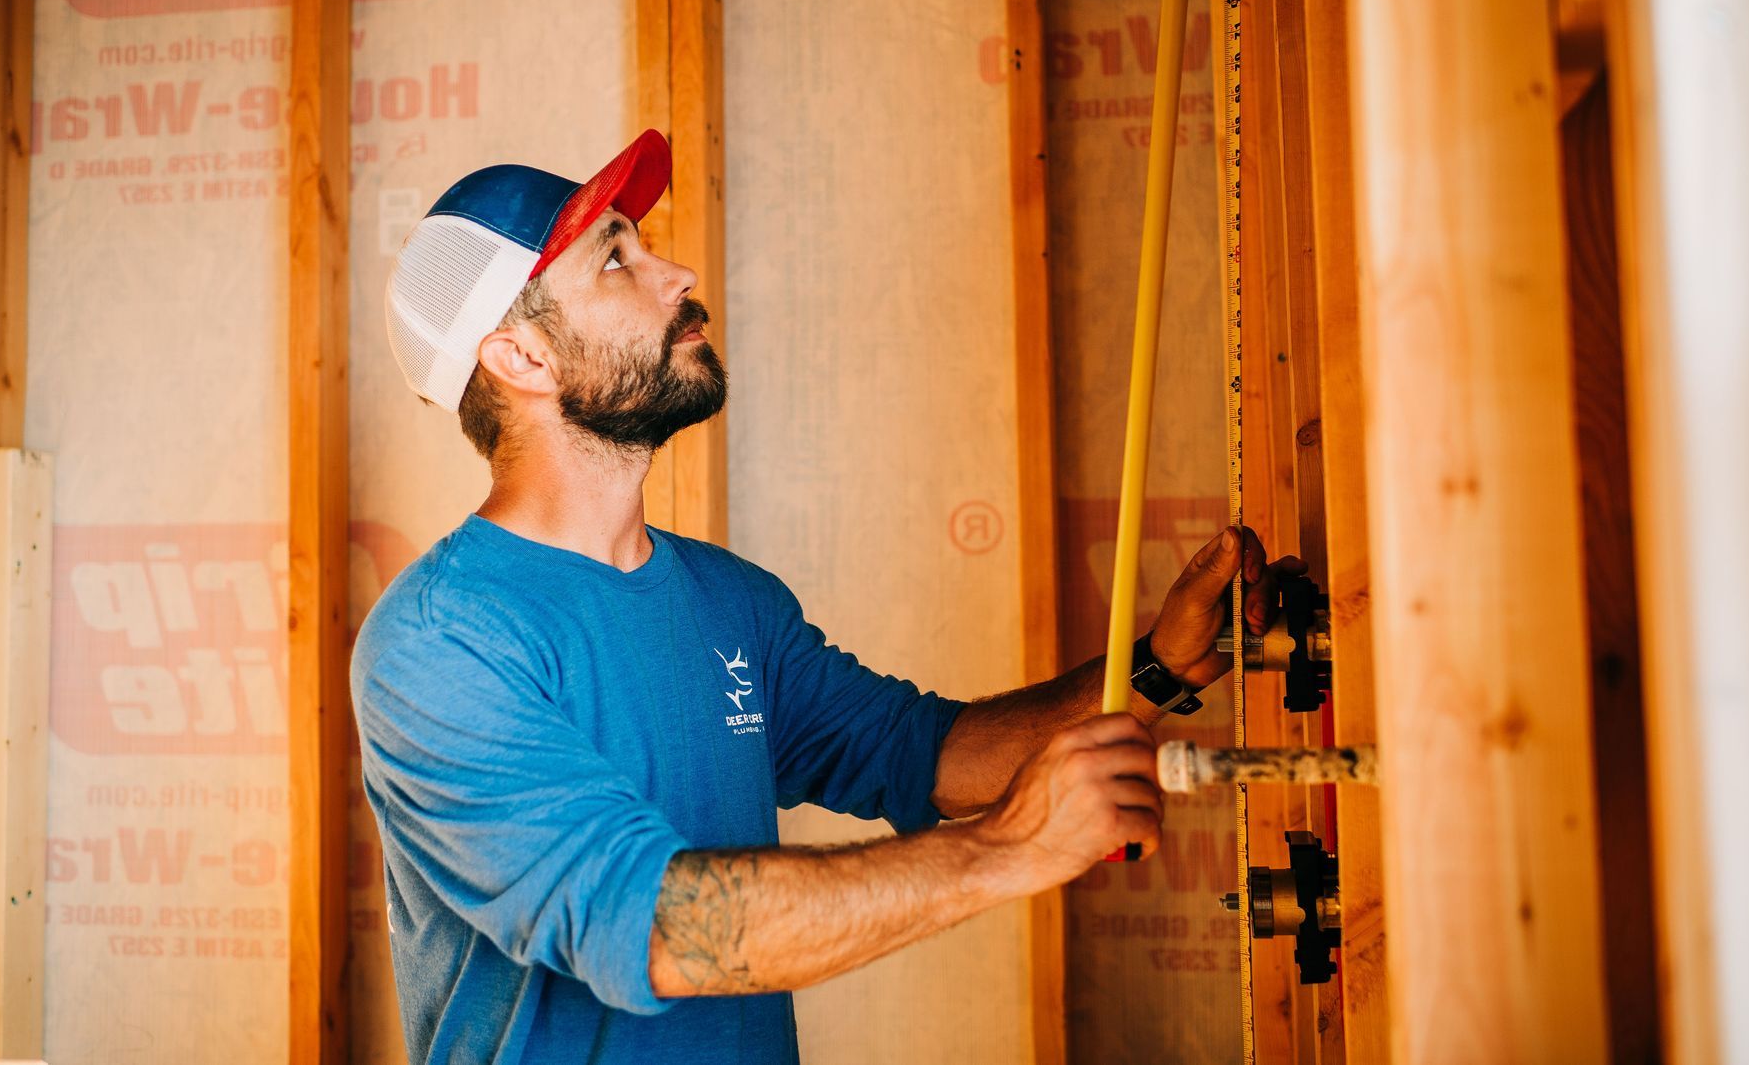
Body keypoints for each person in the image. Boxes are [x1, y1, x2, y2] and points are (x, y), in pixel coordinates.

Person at [353, 130, 1299, 1065]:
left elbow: (921, 753)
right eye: (615, 260)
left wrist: (1155, 667)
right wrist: (1011, 849)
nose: (674, 273)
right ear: (521, 360)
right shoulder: (440, 643)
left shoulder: (731, 602)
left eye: (646, 244)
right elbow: (655, 928)